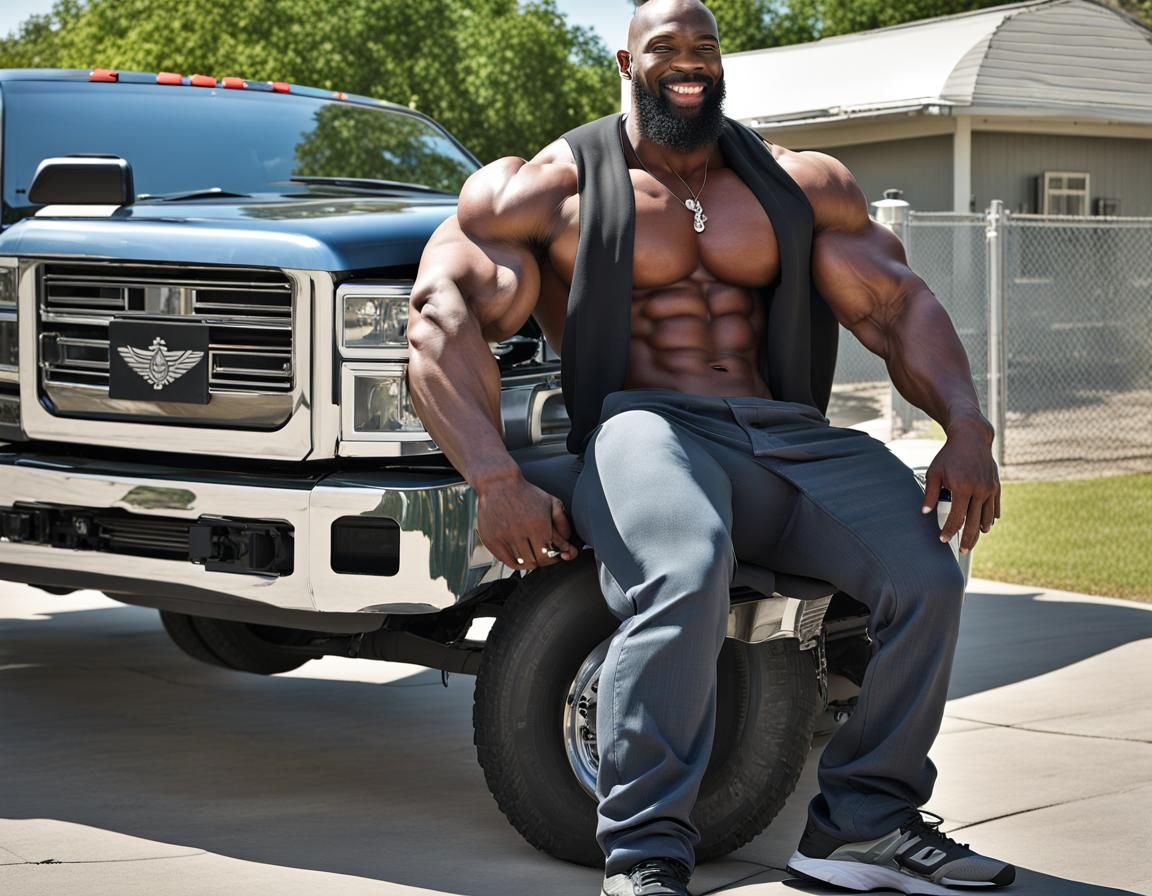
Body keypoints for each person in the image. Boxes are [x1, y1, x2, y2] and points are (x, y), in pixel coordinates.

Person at [408, 1, 1013, 894]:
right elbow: (438, 319)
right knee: (684, 571)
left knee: (926, 573)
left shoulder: (798, 184)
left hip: (787, 439)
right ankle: (648, 851)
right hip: (647, 430)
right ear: (627, 61)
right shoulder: (548, 190)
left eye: (704, 48)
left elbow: (895, 307)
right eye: (666, 50)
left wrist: (968, 426)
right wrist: (492, 475)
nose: (687, 64)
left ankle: (863, 827)